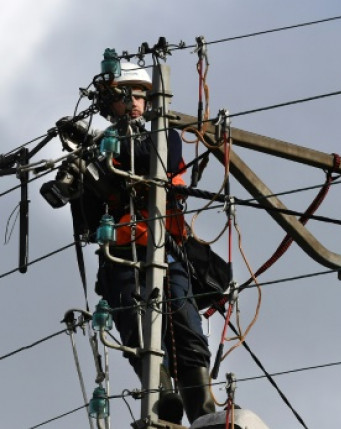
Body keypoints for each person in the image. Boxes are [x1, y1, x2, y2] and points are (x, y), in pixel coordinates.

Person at [75, 61, 215, 425]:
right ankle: (163, 400)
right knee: (138, 331)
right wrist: (88, 169)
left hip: (168, 249)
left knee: (185, 326)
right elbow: (87, 219)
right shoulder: (100, 146)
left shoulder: (161, 134)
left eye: (141, 95)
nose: (135, 102)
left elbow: (156, 159)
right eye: (126, 96)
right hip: (121, 254)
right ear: (111, 102)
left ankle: (203, 411)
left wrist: (105, 157)